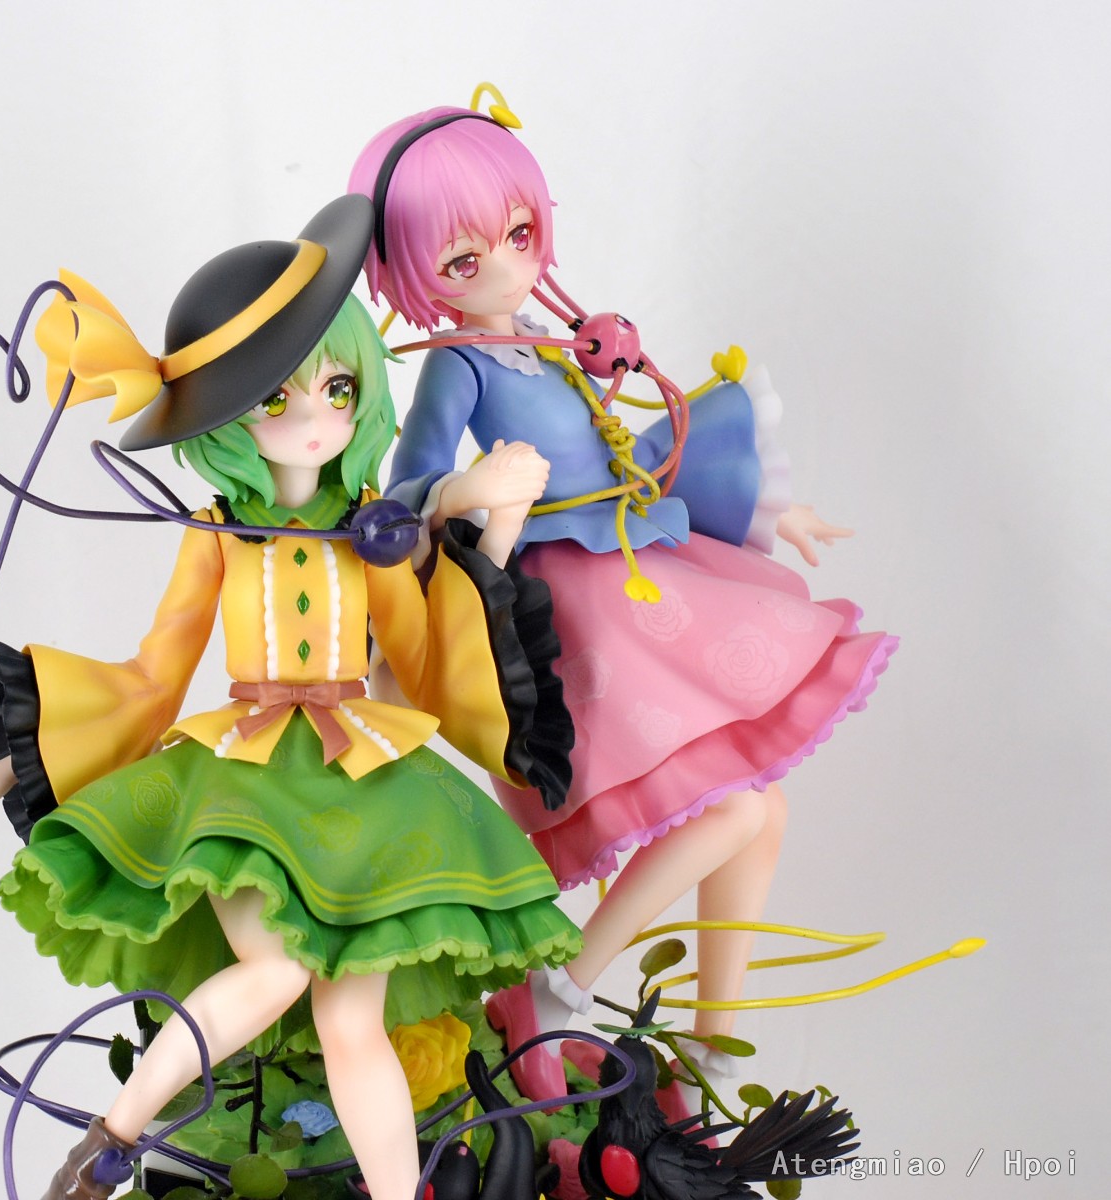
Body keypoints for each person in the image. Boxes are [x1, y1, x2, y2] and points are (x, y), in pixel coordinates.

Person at [0, 195, 580, 1200]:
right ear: (225, 417)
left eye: (338, 389)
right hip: (244, 789)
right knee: (272, 975)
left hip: (368, 785)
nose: (313, 419)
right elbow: (154, 675)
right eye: (275, 400)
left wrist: (495, 530)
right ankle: (108, 1145)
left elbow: (427, 663)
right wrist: (12, 763)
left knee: (353, 1023)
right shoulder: (216, 533)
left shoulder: (374, 533)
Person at [348, 110, 897, 1102]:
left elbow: (628, 456)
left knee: (761, 810)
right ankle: (560, 986)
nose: (507, 267)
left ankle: (710, 1050)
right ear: (419, 275)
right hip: (579, 618)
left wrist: (770, 507)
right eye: (465, 259)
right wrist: (470, 490)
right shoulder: (456, 365)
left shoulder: (549, 342)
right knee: (735, 806)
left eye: (519, 234)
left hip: (639, 574)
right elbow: (406, 488)